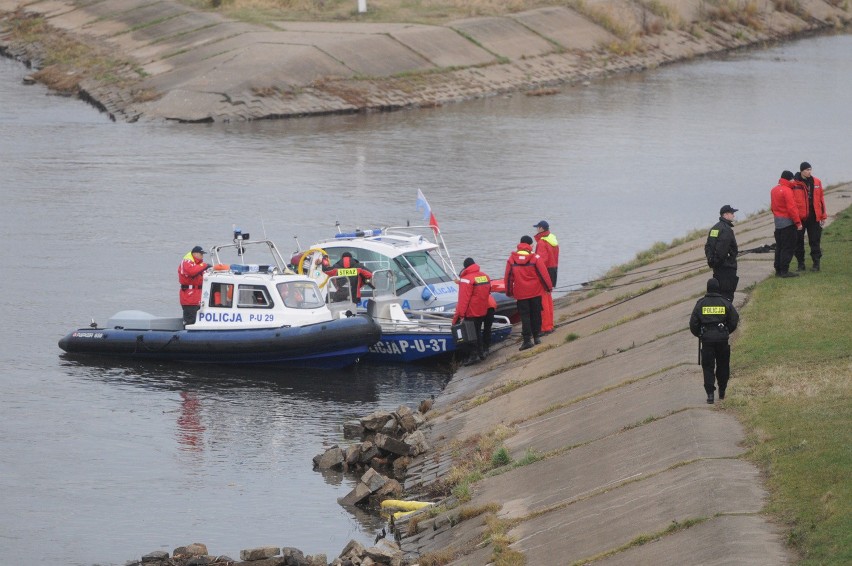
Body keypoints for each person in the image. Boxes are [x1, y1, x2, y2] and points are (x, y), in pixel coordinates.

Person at [689, 277, 739, 404]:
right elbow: (734, 319)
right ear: (718, 288)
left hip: (707, 340)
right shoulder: (725, 302)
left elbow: (693, 323)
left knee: (708, 367)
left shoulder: (700, 303)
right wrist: (727, 331)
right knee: (723, 365)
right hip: (722, 339)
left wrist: (700, 334)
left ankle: (710, 394)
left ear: (707, 289)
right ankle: (722, 391)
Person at [504, 235, 552, 351]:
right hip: (535, 292)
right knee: (536, 314)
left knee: (525, 316)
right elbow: (543, 274)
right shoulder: (535, 257)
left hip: (521, 294)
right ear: (530, 245)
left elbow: (508, 278)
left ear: (520, 244)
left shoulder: (511, 259)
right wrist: (548, 288)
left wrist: (509, 292)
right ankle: (536, 337)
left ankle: (526, 340)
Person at [451, 257, 492, 365]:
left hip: (471, 311)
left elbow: (463, 299)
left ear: (465, 267)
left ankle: (474, 356)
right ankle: (481, 353)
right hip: (483, 310)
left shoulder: (466, 279)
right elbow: (488, 291)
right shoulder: (485, 276)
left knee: (471, 334)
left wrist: (461, 314)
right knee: (478, 331)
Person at [792, 162, 828, 271]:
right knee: (798, 241)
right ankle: (800, 264)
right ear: (801, 170)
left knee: (815, 240)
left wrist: (823, 215)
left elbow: (821, 199)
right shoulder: (794, 183)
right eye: (807, 170)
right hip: (800, 217)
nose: (809, 172)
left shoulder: (817, 182)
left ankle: (816, 263)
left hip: (814, 216)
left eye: (810, 169)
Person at [770, 171, 803, 278]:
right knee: (788, 247)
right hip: (788, 223)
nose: (794, 181)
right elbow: (792, 208)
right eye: (792, 179)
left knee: (779, 247)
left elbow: (773, 207)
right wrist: (798, 223)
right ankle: (785, 271)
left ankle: (778, 270)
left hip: (778, 223)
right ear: (789, 179)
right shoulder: (787, 190)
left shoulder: (774, 190)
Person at [704, 205, 739, 302]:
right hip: (726, 267)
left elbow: (708, 247)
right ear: (726, 215)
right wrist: (722, 261)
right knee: (727, 295)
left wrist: (711, 261)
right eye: (732, 213)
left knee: (719, 293)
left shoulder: (715, 228)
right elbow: (722, 251)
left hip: (717, 267)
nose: (733, 216)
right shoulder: (726, 230)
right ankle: (727, 315)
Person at [533, 220, 559, 334]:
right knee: (548, 300)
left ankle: (545, 327)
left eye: (537, 228)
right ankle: (550, 324)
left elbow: (541, 262)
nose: (536, 230)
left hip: (544, 274)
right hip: (553, 272)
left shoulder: (542, 243)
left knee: (543, 303)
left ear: (541, 229)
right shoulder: (552, 239)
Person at [178, 245, 209, 325]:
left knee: (197, 321)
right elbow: (191, 271)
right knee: (190, 321)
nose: (202, 256)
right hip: (189, 298)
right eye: (201, 254)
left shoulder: (199, 265)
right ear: (195, 254)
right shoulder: (186, 262)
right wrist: (204, 266)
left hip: (199, 298)